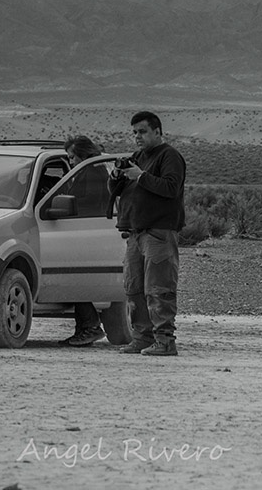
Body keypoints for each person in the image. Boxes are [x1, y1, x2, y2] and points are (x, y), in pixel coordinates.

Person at [111, 111, 186, 357]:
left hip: (158, 232)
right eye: (134, 133)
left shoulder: (169, 156)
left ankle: (165, 341)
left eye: (142, 132)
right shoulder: (137, 157)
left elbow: (171, 188)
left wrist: (141, 177)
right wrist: (116, 177)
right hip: (135, 232)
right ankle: (142, 338)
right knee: (134, 287)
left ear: (157, 131)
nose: (137, 137)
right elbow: (118, 190)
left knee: (159, 288)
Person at [60, 135, 109, 347]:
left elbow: (90, 200)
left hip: (86, 231)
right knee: (76, 280)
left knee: (76, 280)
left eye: (72, 157)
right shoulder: (92, 170)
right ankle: (84, 329)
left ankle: (90, 326)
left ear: (83, 155)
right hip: (85, 230)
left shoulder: (91, 171)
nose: (70, 162)